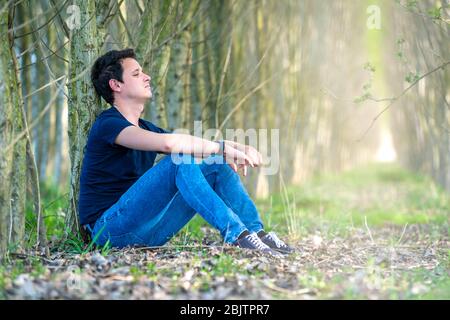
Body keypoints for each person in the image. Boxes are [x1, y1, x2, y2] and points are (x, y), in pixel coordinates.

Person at [78, 48, 293, 256]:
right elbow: (171, 145)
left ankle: (257, 233)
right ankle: (238, 235)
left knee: (216, 164)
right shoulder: (108, 124)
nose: (147, 76)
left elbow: (190, 146)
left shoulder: (147, 128)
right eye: (136, 73)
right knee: (179, 160)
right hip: (107, 232)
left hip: (147, 233)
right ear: (116, 84)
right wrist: (223, 148)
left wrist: (234, 147)